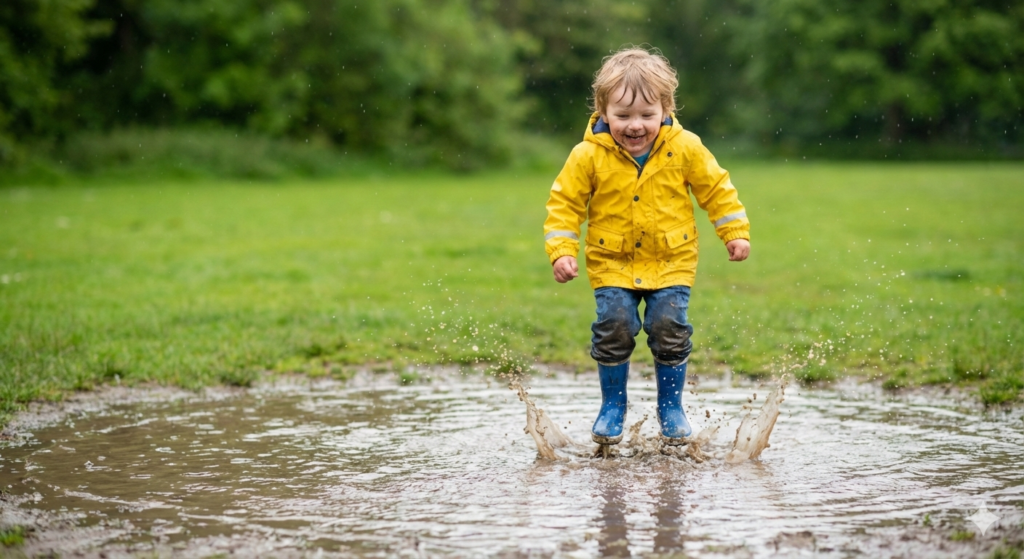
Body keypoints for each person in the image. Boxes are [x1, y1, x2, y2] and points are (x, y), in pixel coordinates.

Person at [543, 47, 751, 446]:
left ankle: (670, 407)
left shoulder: (686, 147)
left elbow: (717, 189)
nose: (634, 125)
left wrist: (734, 232)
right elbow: (564, 205)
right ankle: (613, 405)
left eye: (645, 115)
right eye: (622, 116)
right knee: (614, 326)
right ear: (603, 113)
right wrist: (562, 250)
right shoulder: (586, 156)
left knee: (668, 328)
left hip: (672, 259)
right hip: (611, 261)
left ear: (665, 109)